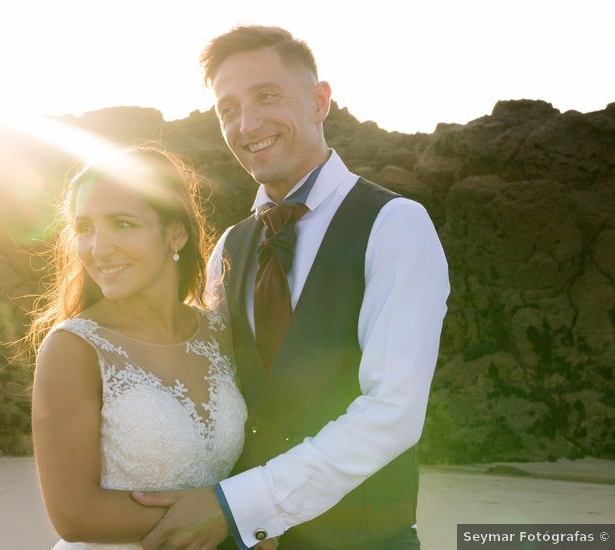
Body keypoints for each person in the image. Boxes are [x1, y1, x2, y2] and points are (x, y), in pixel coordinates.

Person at [132, 26, 450, 549]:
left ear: (321, 101)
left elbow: (392, 412)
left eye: (267, 96)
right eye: (227, 109)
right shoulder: (229, 248)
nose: (247, 123)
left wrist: (240, 506)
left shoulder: (395, 225)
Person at [29, 146, 252, 549]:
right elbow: (74, 514)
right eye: (84, 228)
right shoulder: (73, 349)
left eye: (123, 224)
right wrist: (227, 517)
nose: (98, 248)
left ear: (175, 232)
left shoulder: (220, 332)